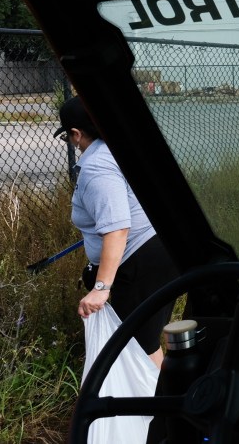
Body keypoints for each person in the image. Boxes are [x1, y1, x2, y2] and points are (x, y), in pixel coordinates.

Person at [56, 96, 180, 369]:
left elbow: (117, 228)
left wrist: (101, 288)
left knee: (137, 347)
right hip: (158, 252)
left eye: (68, 137)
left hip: (141, 261)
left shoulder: (97, 166)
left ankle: (165, 405)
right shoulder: (119, 150)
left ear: (76, 134)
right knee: (142, 343)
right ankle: (162, 400)